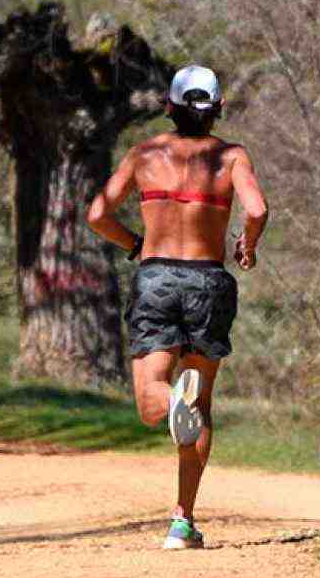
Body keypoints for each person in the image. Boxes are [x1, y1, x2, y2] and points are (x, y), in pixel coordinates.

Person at [86, 64, 268, 550]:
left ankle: (170, 403)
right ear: (219, 110)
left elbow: (98, 214)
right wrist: (247, 245)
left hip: (158, 278)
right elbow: (256, 209)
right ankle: (182, 521)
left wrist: (133, 243)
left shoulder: (145, 154)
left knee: (152, 403)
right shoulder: (232, 156)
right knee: (200, 404)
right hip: (210, 281)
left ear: (169, 107)